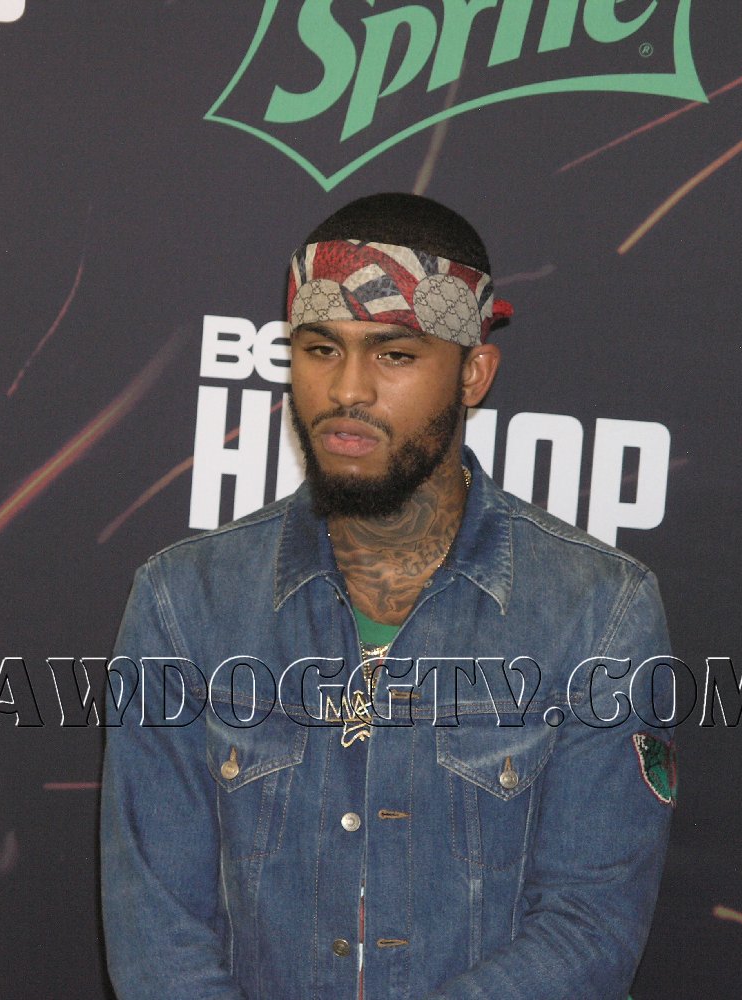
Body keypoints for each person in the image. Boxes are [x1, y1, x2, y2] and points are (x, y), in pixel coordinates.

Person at [100, 193, 676, 1000]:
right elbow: (155, 928)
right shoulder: (182, 601)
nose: (348, 390)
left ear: (472, 374)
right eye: (319, 348)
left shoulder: (598, 612)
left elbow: (589, 926)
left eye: (394, 354)